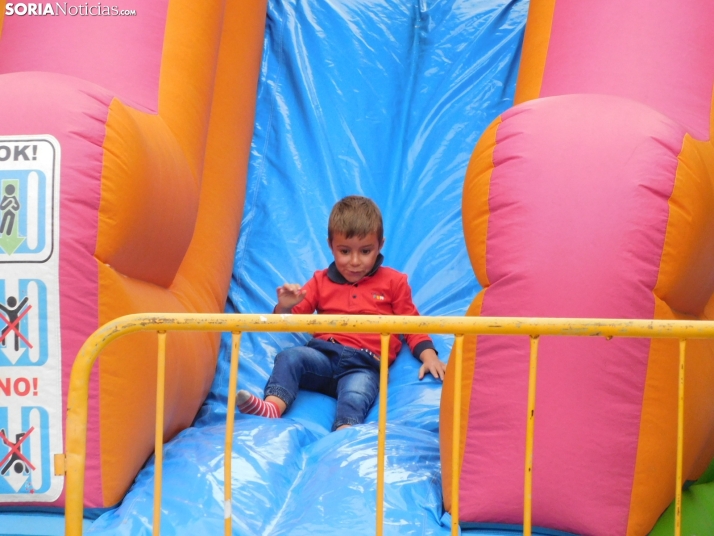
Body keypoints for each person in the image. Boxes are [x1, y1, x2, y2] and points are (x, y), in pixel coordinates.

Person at [236, 195, 445, 431]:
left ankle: (344, 430)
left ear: (380, 245)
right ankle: (272, 406)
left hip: (364, 363)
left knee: (357, 391)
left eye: (365, 251)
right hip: (324, 357)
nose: (355, 261)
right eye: (345, 251)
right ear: (330, 246)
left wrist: (429, 355)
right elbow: (289, 320)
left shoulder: (394, 282)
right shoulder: (320, 280)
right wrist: (285, 305)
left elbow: (411, 323)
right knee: (290, 357)